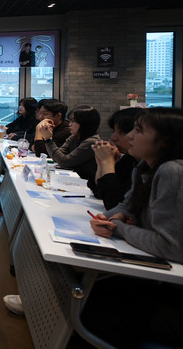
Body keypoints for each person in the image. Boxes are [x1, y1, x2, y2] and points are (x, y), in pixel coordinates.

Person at [82, 107, 183, 347]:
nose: (128, 137)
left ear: (164, 141)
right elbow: (124, 206)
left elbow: (170, 246)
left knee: (92, 306)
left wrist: (117, 227)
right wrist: (106, 219)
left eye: (138, 131)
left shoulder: (173, 171)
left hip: (172, 293)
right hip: (157, 280)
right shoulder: (144, 167)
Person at [92, 107, 145, 210]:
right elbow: (98, 190)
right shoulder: (129, 160)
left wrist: (107, 162)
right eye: (114, 131)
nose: (113, 138)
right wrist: (101, 164)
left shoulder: (160, 169)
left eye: (121, 132)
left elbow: (114, 203)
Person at [41, 105, 100, 189]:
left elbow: (64, 161)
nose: (70, 124)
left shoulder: (92, 142)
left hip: (85, 185)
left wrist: (48, 140)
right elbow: (58, 156)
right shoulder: (74, 137)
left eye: (73, 121)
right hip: (73, 181)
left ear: (85, 123)